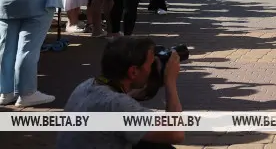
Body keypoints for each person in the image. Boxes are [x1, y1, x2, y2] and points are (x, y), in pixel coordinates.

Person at [56, 37, 184, 148]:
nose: (152, 68)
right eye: (150, 64)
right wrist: (170, 81)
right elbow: (175, 133)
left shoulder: (86, 86)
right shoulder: (118, 104)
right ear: (133, 72)